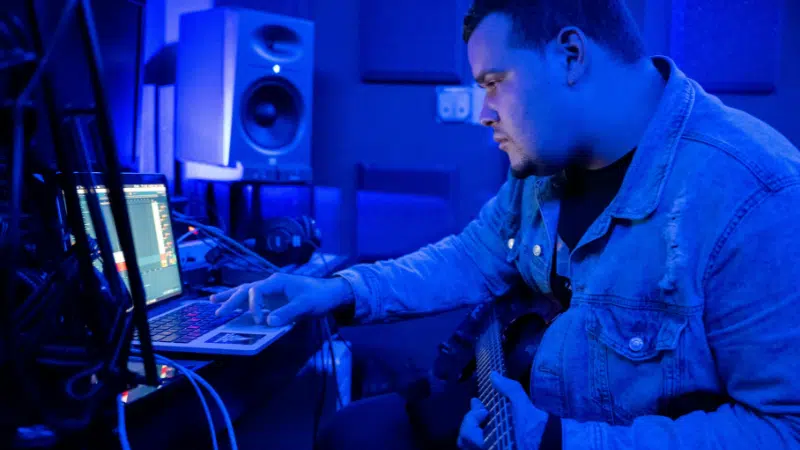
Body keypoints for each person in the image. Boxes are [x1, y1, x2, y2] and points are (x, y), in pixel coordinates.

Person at [211, 0, 800, 448]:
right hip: (511, 397)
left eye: (494, 83)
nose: (485, 112)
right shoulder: (546, 160)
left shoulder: (760, 196)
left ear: (571, 56)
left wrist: (553, 440)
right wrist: (338, 290)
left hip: (565, 436)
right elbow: (475, 254)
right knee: (352, 433)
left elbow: (784, 430)